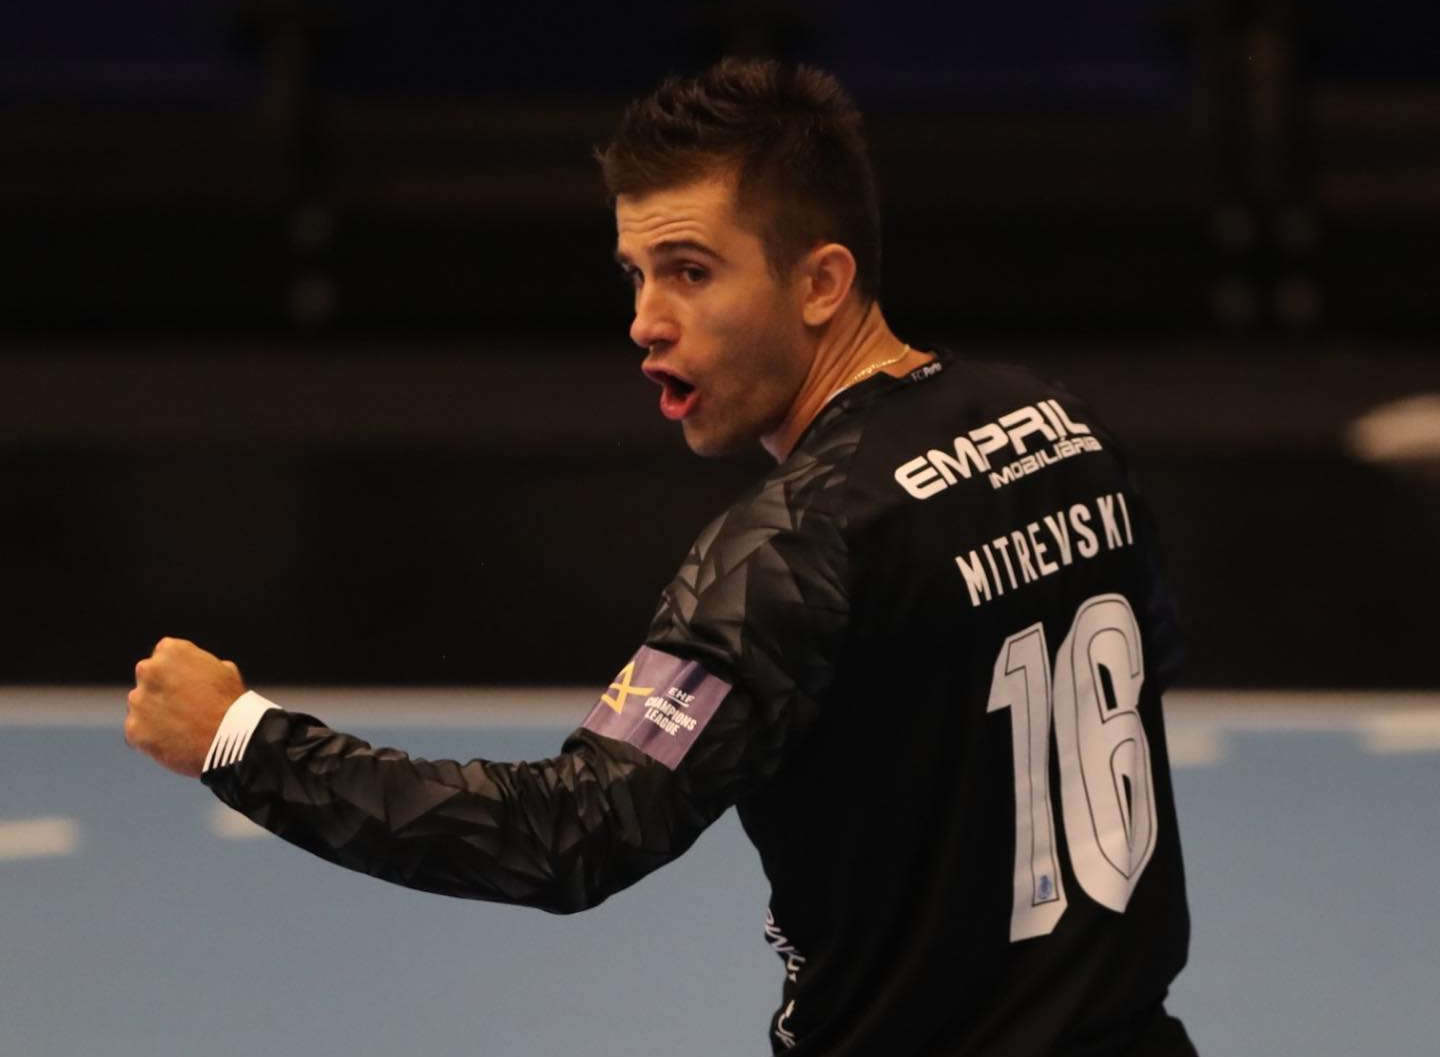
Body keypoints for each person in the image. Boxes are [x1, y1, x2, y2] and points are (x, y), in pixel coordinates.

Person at [125, 58, 1197, 1056]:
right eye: (635, 275)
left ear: (821, 282)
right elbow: (1139, 656)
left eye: (690, 272)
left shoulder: (792, 546)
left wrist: (243, 740)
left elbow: (567, 831)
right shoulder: (1059, 426)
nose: (645, 322)